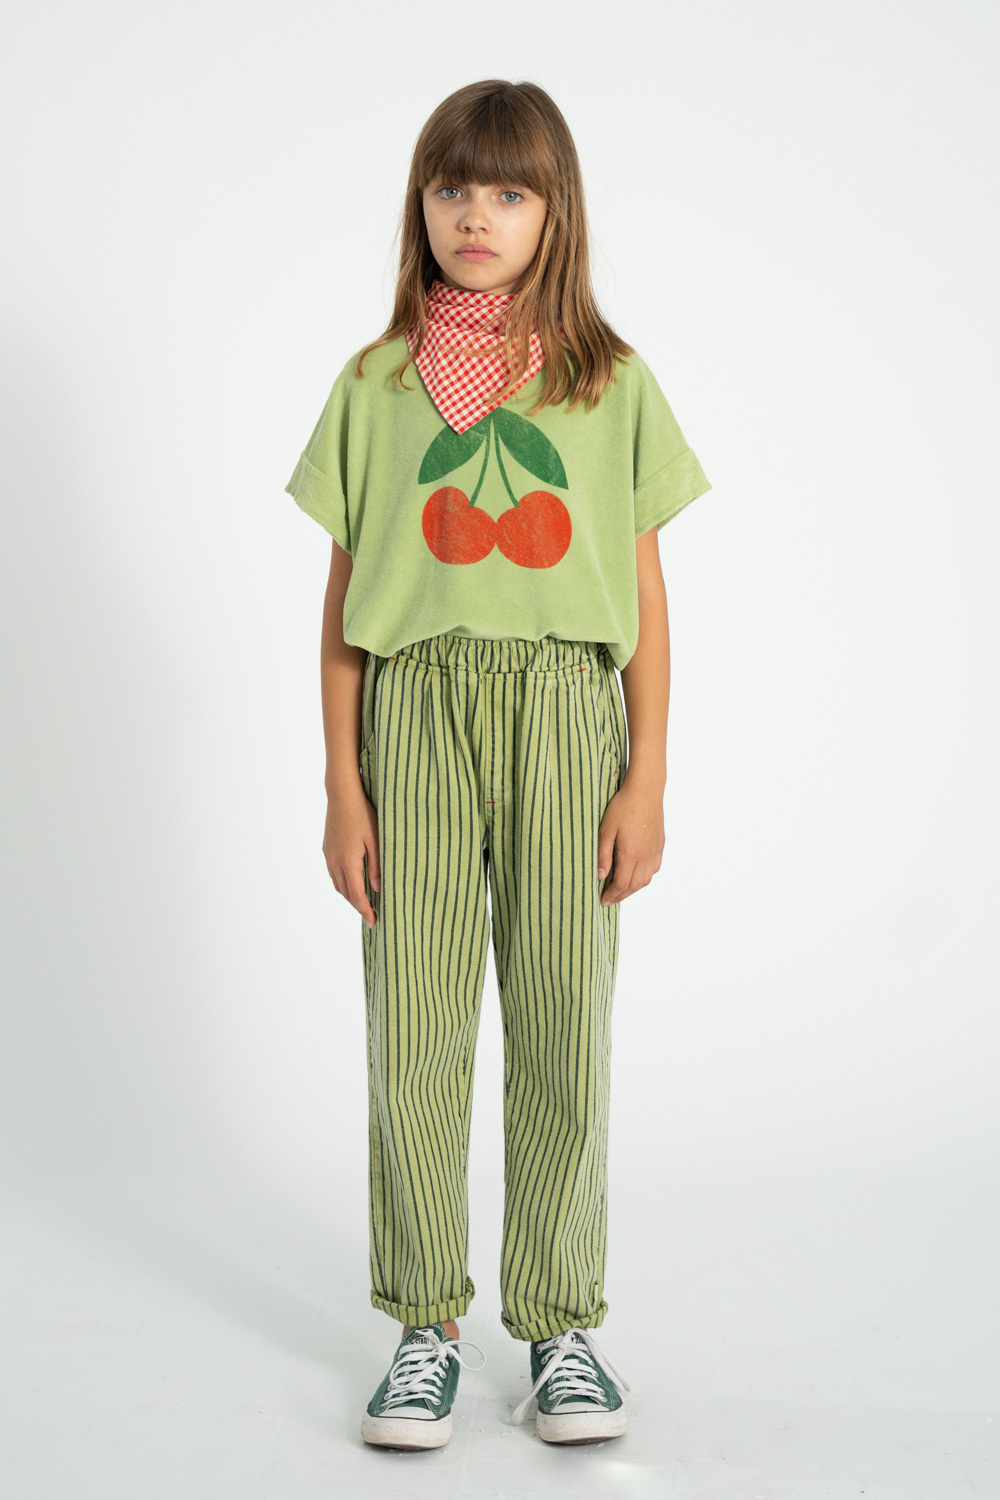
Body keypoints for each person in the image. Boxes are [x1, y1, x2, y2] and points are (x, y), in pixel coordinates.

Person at [283, 78, 712, 1452]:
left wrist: (645, 777)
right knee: (413, 1021)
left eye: (510, 191)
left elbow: (645, 597)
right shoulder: (375, 385)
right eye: (453, 187)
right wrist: (343, 784)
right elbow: (345, 598)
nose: (477, 214)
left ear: (553, 212)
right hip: (412, 712)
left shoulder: (610, 382)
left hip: (565, 715)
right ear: (420, 204)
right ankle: (424, 1323)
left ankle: (561, 1327)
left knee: (564, 1017)